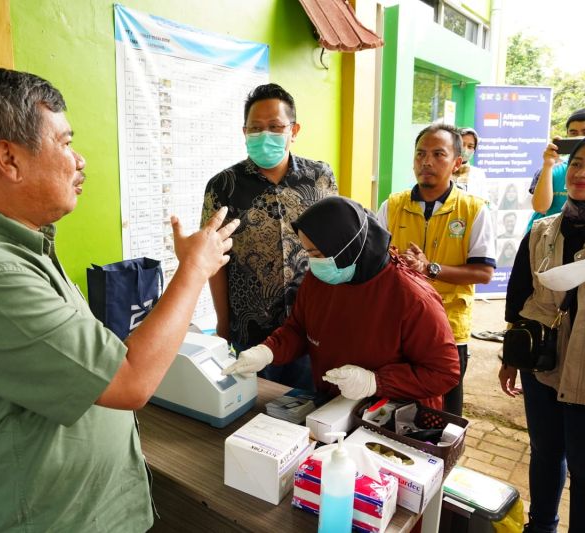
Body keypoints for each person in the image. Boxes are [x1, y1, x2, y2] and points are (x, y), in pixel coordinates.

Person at [0, 68, 239, 531]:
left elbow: (93, 361)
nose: (79, 160)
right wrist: (194, 270)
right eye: (64, 143)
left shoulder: (23, 246)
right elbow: (128, 380)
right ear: (9, 158)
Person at [222, 196, 459, 409]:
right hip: (334, 407)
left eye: (317, 254)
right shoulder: (318, 280)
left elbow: (444, 373)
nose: (312, 262)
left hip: (394, 418)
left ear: (348, 247)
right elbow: (299, 329)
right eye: (307, 252)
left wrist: (375, 382)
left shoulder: (413, 298)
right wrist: (267, 351)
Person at [499, 133, 585, 533]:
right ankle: (541, 526)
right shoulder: (542, 231)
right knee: (545, 454)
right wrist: (509, 359)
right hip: (542, 364)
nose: (584, 173)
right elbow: (518, 298)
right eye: (579, 163)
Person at [202, 83, 337, 391]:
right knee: (257, 417)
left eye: (275, 127)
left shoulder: (320, 177)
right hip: (252, 333)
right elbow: (215, 262)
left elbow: (335, 246)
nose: (265, 135)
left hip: (313, 326)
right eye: (256, 128)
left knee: (313, 409)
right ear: (244, 131)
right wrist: (223, 326)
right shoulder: (223, 186)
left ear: (294, 129)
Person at [377, 123, 495, 416]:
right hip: (398, 328)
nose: (426, 162)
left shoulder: (473, 209)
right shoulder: (393, 205)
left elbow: (483, 273)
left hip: (449, 330)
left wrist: (430, 268)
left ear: (457, 162)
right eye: (420, 154)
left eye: (438, 154)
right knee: (393, 410)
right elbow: (374, 262)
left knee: (443, 415)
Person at [526, 106, 585, 232]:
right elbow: (540, 207)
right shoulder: (553, 168)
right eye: (573, 133)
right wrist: (548, 164)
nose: (579, 138)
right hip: (544, 239)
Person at [453, 127, 488, 200]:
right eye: (462, 144)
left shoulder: (479, 174)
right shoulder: (444, 170)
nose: (465, 149)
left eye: (470, 146)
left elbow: (484, 201)